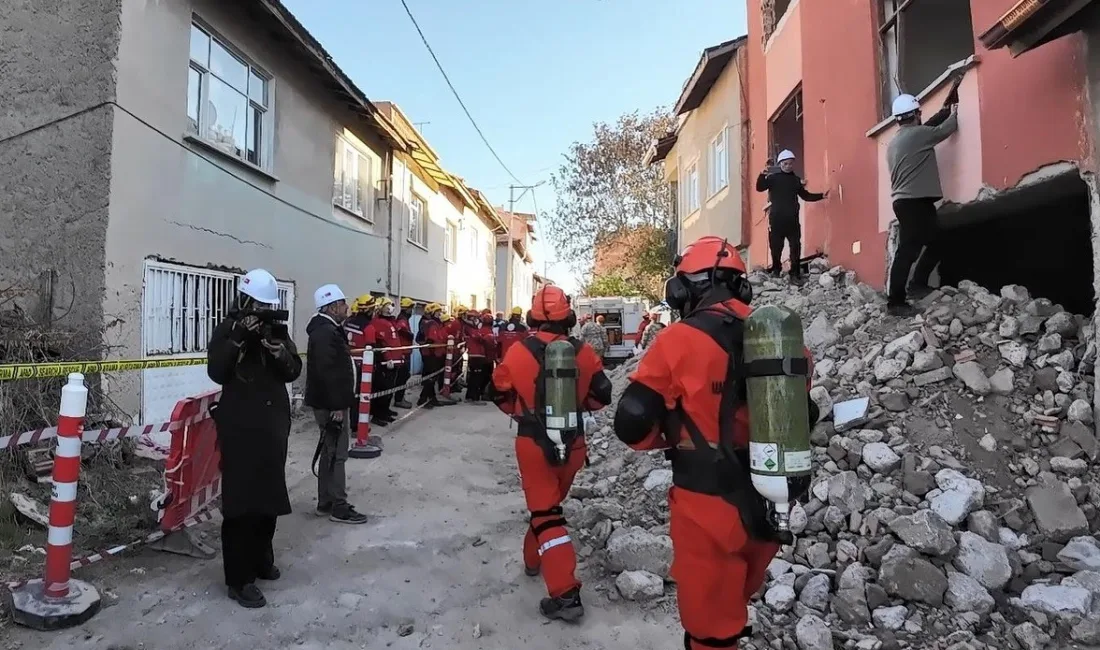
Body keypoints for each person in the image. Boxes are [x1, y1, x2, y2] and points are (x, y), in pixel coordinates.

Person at [612, 236, 817, 648]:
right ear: (742, 287)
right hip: (769, 498)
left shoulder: (676, 341)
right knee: (731, 607)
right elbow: (802, 414)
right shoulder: (786, 343)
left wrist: (674, 434)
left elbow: (631, 423)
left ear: (683, 291)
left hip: (705, 509)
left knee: (711, 631)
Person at [487, 286, 612, 622]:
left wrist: (522, 412)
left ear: (532, 317)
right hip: (573, 445)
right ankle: (532, 560)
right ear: (569, 318)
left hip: (533, 445)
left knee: (546, 514)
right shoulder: (584, 353)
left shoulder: (516, 353)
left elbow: (497, 393)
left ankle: (565, 593)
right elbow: (602, 396)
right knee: (547, 509)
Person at [206, 268, 302, 609]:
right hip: (241, 426)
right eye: (257, 305)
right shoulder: (227, 329)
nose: (260, 312)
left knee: (269, 497)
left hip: (273, 424)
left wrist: (279, 352)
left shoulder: (278, 331)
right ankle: (238, 578)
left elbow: (294, 370)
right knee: (242, 503)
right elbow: (217, 371)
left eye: (266, 306)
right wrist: (238, 340)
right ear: (244, 301)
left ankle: (262, 559)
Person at [886, 90, 960, 317]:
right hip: (913, 202)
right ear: (916, 114)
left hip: (910, 202)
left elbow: (926, 127)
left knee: (937, 241)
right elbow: (946, 129)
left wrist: (941, 111)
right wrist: (955, 111)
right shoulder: (919, 135)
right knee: (908, 250)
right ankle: (896, 302)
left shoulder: (898, 139)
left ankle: (918, 284)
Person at [304, 284, 369, 526]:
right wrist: (337, 407)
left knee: (330, 451)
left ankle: (326, 501)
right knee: (338, 454)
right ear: (332, 307)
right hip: (331, 404)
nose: (347, 308)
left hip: (332, 401)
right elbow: (327, 372)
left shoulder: (328, 329)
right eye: (343, 304)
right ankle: (338, 506)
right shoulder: (325, 332)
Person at [755, 150, 829, 282]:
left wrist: (821, 196)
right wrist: (762, 174)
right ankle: (776, 269)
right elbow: (759, 187)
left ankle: (795, 273)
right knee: (776, 246)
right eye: (785, 163)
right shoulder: (773, 178)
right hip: (777, 219)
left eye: (790, 163)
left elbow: (805, 196)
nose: (788, 166)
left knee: (795, 246)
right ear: (780, 164)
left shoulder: (795, 181)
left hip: (792, 220)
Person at [371, 297, 403, 423]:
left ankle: (385, 410)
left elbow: (394, 340)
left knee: (390, 388)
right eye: (387, 305)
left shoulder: (390, 322)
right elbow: (380, 342)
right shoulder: (377, 322)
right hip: (385, 362)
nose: (390, 307)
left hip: (395, 360)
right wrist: (387, 357)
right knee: (383, 388)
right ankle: (378, 415)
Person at [414, 303, 447, 408]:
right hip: (431, 354)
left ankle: (432, 399)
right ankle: (423, 399)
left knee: (431, 378)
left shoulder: (432, 323)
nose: (440, 314)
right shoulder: (431, 323)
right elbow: (431, 339)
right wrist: (433, 353)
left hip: (431, 353)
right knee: (431, 378)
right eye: (438, 312)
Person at [462, 309, 492, 402]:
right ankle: (473, 397)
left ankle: (471, 396)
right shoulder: (469, 328)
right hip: (476, 354)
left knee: (476, 376)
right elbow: (479, 338)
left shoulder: (472, 328)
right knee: (476, 376)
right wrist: (485, 338)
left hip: (477, 354)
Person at [393, 297, 416, 409]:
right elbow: (401, 330)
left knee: (403, 376)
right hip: (403, 352)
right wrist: (410, 334)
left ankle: (399, 398)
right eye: (411, 309)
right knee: (403, 376)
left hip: (405, 351)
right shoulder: (402, 320)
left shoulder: (402, 318)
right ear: (408, 309)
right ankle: (399, 399)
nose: (412, 311)